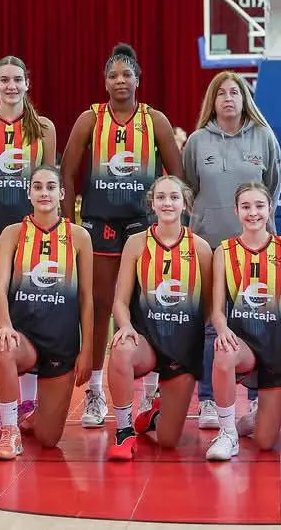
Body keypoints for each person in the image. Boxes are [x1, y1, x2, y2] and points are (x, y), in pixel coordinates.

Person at [61, 43, 183, 428]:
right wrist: (68, 227)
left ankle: (151, 391)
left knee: (150, 308)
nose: (119, 80)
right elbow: (65, 174)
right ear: (104, 80)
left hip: (145, 228)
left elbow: (177, 178)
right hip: (99, 225)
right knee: (98, 308)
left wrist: (174, 226)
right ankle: (95, 390)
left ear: (138, 79)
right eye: (112, 74)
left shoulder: (156, 121)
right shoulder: (90, 120)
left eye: (126, 74)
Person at [183, 71, 281, 430]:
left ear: (245, 99)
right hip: (211, 247)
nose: (228, 98)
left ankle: (256, 401)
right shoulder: (197, 141)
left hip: (256, 249)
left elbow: (272, 186)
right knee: (212, 325)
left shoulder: (264, 137)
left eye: (234, 92)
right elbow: (189, 188)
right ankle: (209, 400)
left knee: (259, 321)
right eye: (221, 92)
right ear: (213, 99)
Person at [0, 55, 57, 432]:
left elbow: (48, 180)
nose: (11, 86)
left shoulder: (45, 128)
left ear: (27, 84)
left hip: (31, 232)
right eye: (4, 80)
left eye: (17, 79)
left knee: (29, 314)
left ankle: (29, 400)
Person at [0, 166, 93, 458]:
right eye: (37, 187)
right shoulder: (13, 234)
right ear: (29, 193)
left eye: (50, 187)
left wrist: (87, 350)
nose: (43, 192)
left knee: (48, 439)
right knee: (2, 346)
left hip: (62, 344)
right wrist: (6, 326)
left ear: (61, 193)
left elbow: (86, 297)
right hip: (25, 338)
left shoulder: (79, 236)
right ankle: (9, 432)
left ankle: (35, 418)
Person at [105, 177, 211, 460]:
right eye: (161, 197)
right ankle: (124, 431)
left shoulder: (200, 248)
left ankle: (155, 413)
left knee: (168, 441)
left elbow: (211, 306)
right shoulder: (136, 244)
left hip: (182, 347)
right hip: (147, 342)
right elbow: (120, 301)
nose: (167, 203)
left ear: (185, 203)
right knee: (121, 349)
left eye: (174, 197)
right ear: (152, 203)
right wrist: (125, 326)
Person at [206, 182, 281, 460]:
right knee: (223, 352)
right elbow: (216, 310)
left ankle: (252, 419)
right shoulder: (224, 251)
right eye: (246, 207)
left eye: (259, 206)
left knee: (264, 442)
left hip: (278, 350)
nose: (253, 213)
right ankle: (227, 433)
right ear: (236, 211)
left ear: (270, 208)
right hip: (244, 347)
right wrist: (223, 329)